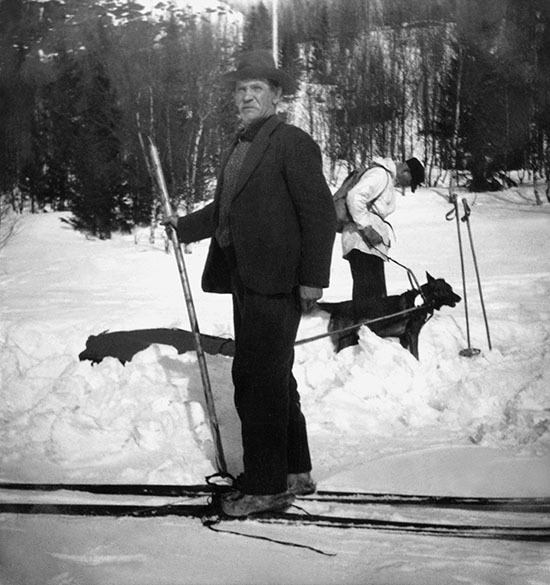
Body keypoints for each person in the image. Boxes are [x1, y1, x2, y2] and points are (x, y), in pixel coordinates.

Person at [164, 50, 336, 517]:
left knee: (256, 379)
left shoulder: (291, 142)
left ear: (277, 96)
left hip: (278, 282)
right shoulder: (242, 146)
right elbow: (224, 210)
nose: (245, 97)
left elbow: (319, 213)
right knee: (274, 375)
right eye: (240, 90)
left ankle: (265, 484)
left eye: (255, 89)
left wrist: (313, 280)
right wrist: (183, 227)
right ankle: (295, 469)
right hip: (246, 279)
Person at [342, 156, 425, 318]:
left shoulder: (387, 178)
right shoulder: (380, 175)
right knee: (367, 298)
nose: (407, 186)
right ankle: (361, 332)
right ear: (405, 170)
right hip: (361, 243)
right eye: (410, 181)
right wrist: (366, 228)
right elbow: (355, 196)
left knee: (376, 298)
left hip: (369, 246)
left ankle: (371, 331)